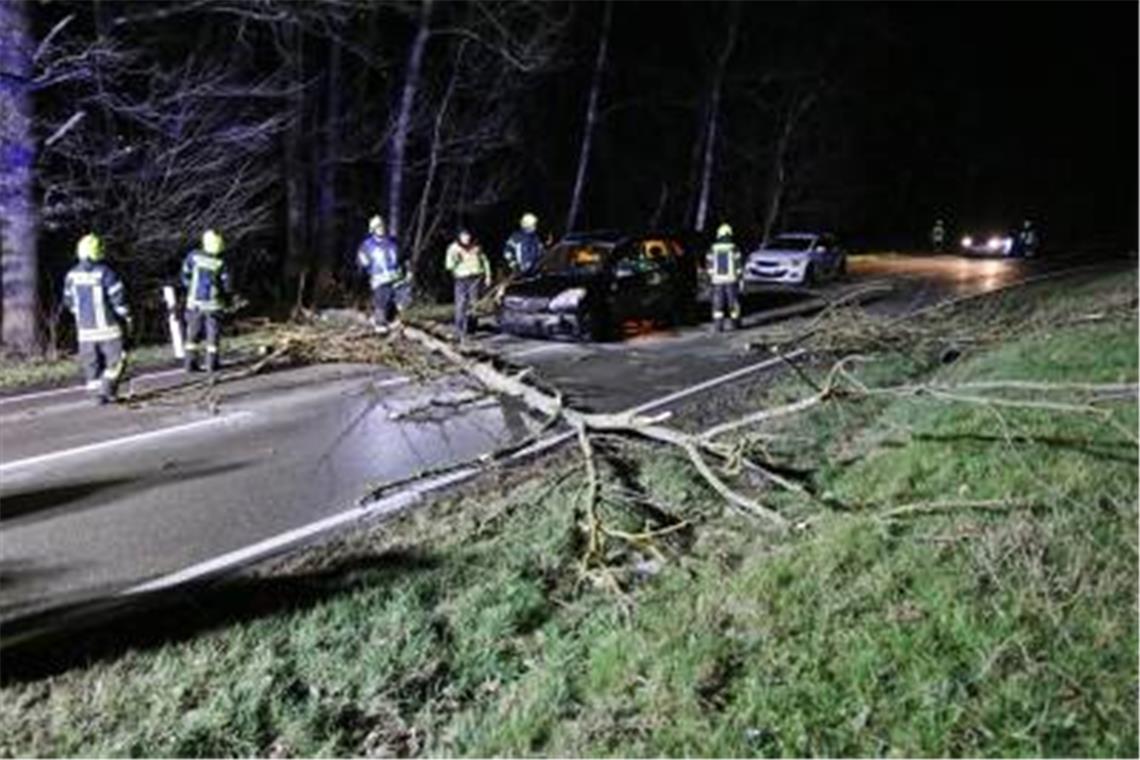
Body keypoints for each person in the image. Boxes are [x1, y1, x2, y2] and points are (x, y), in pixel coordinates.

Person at [63, 233, 132, 404]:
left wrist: (82, 317)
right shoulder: (106, 273)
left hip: (85, 331)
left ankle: (97, 395)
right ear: (98, 251)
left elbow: (68, 301)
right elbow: (118, 299)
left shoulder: (71, 275)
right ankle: (107, 389)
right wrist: (127, 316)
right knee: (117, 360)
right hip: (108, 329)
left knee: (91, 366)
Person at [181, 228, 232, 373]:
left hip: (194, 304)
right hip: (214, 306)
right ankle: (212, 364)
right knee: (213, 336)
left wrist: (189, 288)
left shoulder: (193, 257)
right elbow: (226, 285)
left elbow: (185, 275)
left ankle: (190, 364)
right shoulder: (220, 263)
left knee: (192, 335)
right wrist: (228, 300)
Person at [356, 215, 403, 332]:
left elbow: (398, 258)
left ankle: (391, 320)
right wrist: (366, 269)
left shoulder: (391, 242)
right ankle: (379, 322)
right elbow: (362, 260)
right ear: (372, 229)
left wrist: (401, 270)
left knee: (392, 298)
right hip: (378, 277)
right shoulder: (367, 245)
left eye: (382, 226)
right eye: (377, 227)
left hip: (393, 276)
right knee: (380, 299)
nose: (381, 228)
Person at [446, 227, 491, 339]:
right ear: (459, 237)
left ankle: (471, 328)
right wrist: (457, 260)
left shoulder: (476, 247)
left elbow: (485, 261)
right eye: (464, 236)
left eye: (468, 236)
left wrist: (488, 276)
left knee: (473, 304)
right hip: (461, 279)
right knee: (460, 304)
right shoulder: (453, 248)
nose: (467, 238)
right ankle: (459, 329)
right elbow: (448, 265)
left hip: (475, 278)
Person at [707, 223, 743, 332]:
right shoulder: (734, 247)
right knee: (733, 303)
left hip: (717, 280)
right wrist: (739, 277)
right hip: (731, 280)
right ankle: (735, 324)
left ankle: (718, 326)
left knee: (718, 303)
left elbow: (709, 264)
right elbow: (738, 265)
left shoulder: (713, 248)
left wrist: (711, 276)